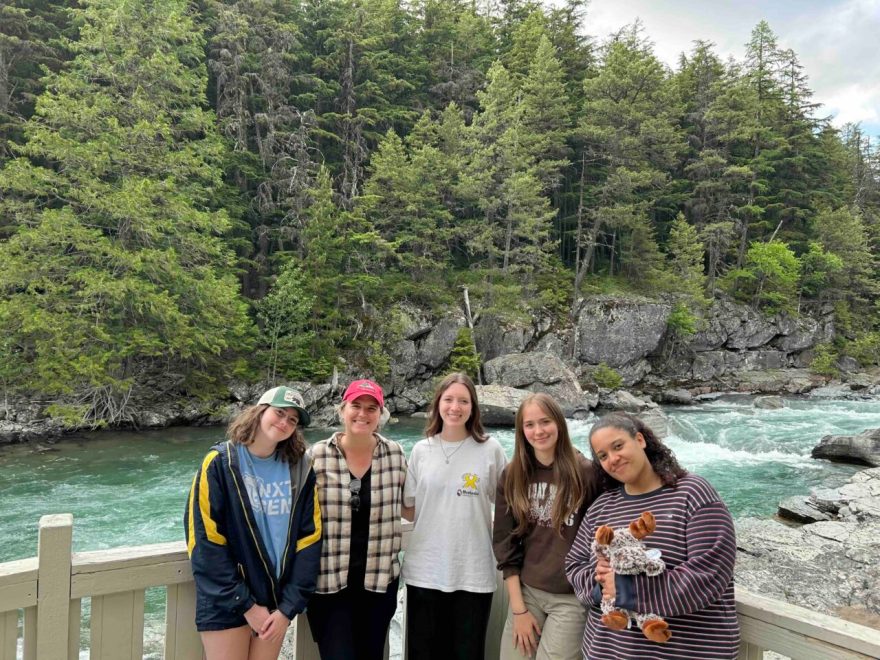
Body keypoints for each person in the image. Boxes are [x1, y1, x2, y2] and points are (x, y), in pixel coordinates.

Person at [565, 412, 740, 660]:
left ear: (640, 440)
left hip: (688, 652)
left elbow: (709, 574)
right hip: (609, 652)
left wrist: (626, 588)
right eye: (603, 456)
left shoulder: (693, 494)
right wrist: (600, 583)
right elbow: (574, 565)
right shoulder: (601, 507)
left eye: (618, 446)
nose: (613, 459)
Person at [184, 386, 321, 660]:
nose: (284, 423)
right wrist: (245, 604)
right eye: (279, 413)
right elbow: (204, 541)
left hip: (275, 603)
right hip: (227, 601)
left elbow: (310, 540)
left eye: (292, 420)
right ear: (260, 411)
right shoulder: (220, 463)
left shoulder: (300, 469)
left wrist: (287, 609)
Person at [402, 372, 508, 660]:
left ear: (473, 407)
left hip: (473, 570)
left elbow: (507, 503)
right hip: (425, 568)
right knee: (423, 652)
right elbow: (408, 505)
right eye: (449, 399)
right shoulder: (422, 450)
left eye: (463, 400)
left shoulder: (490, 448)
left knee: (467, 652)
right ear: (438, 403)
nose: (455, 407)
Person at [492, 393, 601, 660]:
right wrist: (518, 611)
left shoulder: (586, 473)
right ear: (521, 430)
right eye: (530, 425)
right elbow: (505, 543)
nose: (538, 431)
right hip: (528, 593)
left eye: (545, 421)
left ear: (559, 424)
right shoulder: (512, 474)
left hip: (572, 598)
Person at [306, 379, 407, 660]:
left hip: (379, 582)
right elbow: (297, 516)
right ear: (342, 410)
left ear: (381, 414)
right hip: (329, 582)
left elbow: (411, 504)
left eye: (371, 408)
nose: (363, 414)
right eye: (356, 406)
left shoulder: (395, 454)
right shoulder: (316, 455)